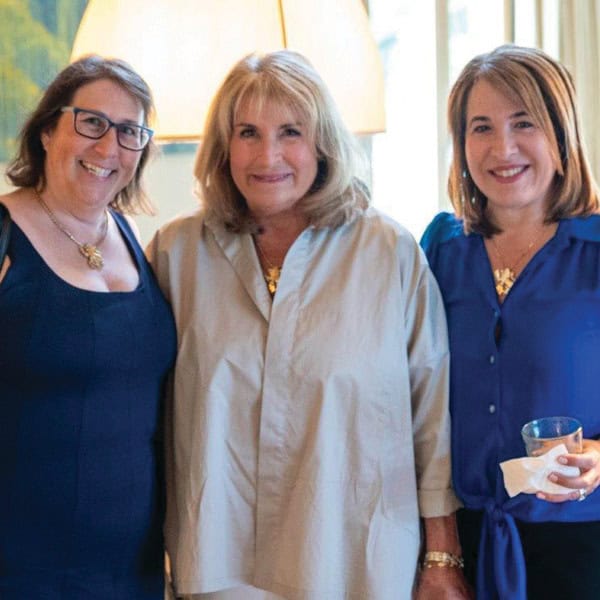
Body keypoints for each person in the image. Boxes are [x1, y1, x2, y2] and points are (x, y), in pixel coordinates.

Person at [148, 50, 471, 600]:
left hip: (353, 562)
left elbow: (431, 416)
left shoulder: (387, 252)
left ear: (322, 144)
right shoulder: (176, 254)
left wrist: (442, 556)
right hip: (218, 562)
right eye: (247, 132)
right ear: (224, 147)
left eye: (290, 132)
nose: (267, 154)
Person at [421, 44, 600, 600]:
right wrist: (440, 551)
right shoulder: (439, 250)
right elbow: (410, 407)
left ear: (562, 134)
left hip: (582, 547)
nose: (503, 148)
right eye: (481, 127)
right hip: (458, 544)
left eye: (524, 123)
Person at [0, 55, 176, 598]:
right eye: (91, 123)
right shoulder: (5, 234)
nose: (108, 148)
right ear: (49, 131)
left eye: (129, 132)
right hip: (19, 564)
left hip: (131, 568)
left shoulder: (137, 240)